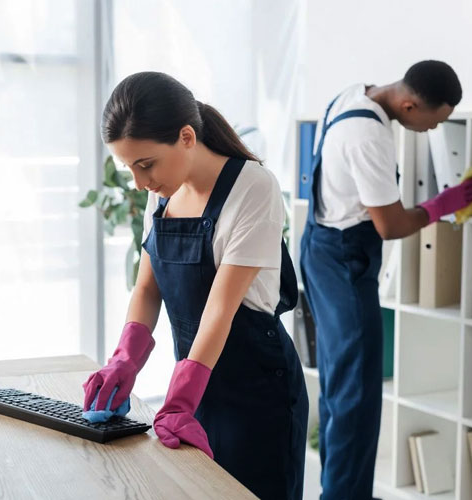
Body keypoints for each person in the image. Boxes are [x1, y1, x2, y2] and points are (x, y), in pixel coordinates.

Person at [82, 71, 308, 500]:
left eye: (145, 165)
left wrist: (181, 398)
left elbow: (220, 310)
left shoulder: (254, 188)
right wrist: (125, 359)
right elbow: (147, 288)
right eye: (129, 168)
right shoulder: (162, 192)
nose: (139, 182)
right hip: (196, 387)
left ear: (186, 136)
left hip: (257, 392)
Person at [300, 60, 472, 499]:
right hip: (345, 263)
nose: (430, 131)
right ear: (409, 104)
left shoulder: (352, 93)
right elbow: (391, 225)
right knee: (357, 397)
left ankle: (337, 491)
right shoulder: (370, 136)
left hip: (319, 249)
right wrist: (442, 205)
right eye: (432, 122)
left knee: (339, 387)